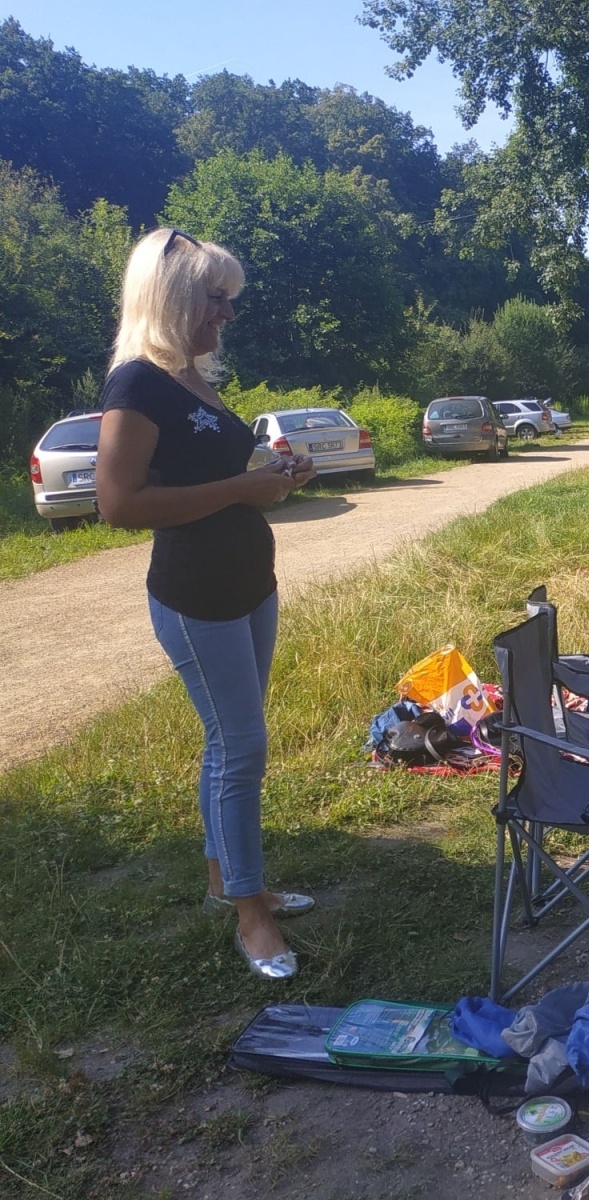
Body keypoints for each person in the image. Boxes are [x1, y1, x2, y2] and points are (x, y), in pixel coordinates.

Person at [96, 228, 317, 981]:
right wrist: (241, 488)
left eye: (229, 299)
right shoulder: (137, 383)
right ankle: (252, 916)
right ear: (170, 299)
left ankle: (225, 881)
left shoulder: (191, 378)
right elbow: (118, 504)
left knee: (228, 743)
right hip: (198, 598)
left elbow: (211, 482)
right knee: (242, 748)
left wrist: (271, 477)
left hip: (249, 585)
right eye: (215, 298)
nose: (227, 313)